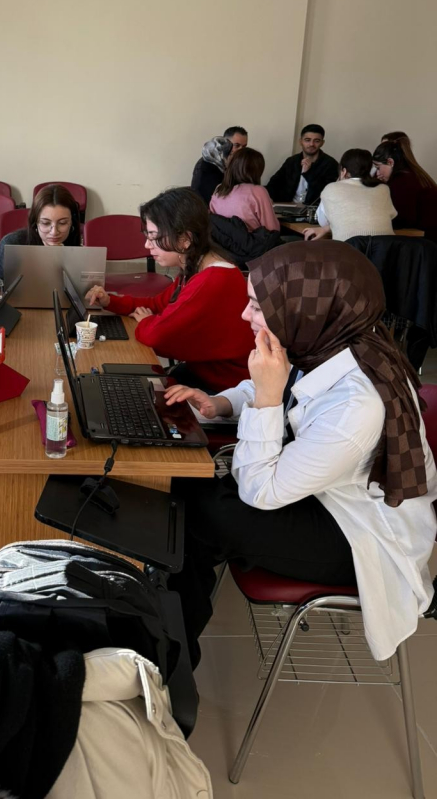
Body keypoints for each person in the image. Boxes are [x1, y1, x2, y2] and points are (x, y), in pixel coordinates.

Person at [163, 240, 437, 669]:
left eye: (257, 306)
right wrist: (222, 403)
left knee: (200, 511)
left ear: (305, 310)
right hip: (327, 495)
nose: (245, 315)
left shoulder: (356, 406)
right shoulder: (328, 339)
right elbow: (277, 380)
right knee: (195, 505)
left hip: (357, 537)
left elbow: (260, 491)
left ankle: (169, 658)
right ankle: (168, 637)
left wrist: (267, 401)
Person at [85, 187, 254, 393]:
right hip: (200, 374)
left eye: (153, 237)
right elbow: (157, 304)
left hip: (223, 391)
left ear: (185, 239)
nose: (147, 245)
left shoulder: (212, 280)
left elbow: (157, 337)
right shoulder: (197, 266)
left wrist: (146, 321)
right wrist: (110, 301)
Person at [0, 184, 81, 299]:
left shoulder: (75, 247)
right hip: (16, 307)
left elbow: (78, 293)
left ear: (72, 222)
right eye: (45, 223)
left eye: (62, 223)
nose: (54, 232)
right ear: (35, 222)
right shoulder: (13, 243)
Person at [303, 148, 396, 243]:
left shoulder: (331, 188)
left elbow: (323, 222)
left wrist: (339, 181)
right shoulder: (383, 188)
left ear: (343, 170)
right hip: (386, 248)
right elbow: (390, 216)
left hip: (349, 248)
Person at [372, 141, 437, 241]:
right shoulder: (412, 174)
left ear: (390, 162)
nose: (377, 173)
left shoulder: (402, 181)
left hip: (428, 240)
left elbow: (402, 219)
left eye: (378, 167)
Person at [209, 147, 280, 232]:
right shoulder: (258, 191)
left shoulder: (219, 189)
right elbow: (272, 229)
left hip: (221, 240)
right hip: (251, 240)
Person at [266, 123, 338, 205]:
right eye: (307, 140)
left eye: (316, 141)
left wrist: (309, 173)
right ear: (300, 141)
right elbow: (274, 183)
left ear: (322, 143)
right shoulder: (292, 161)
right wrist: (268, 198)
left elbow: (329, 192)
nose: (311, 144)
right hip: (289, 207)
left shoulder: (330, 164)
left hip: (314, 209)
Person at [190, 125, 248, 205]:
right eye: (237, 145)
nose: (241, 150)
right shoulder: (208, 165)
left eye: (244, 147)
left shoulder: (236, 163)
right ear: (225, 143)